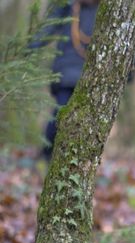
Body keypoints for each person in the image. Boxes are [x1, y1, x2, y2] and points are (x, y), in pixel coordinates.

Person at [33, 0, 100, 161]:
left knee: (82, 121)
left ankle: (69, 158)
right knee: (60, 114)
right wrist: (29, 48)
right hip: (65, 73)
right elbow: (47, 29)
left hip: (88, 76)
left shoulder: (104, 11)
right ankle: (47, 153)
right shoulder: (67, 6)